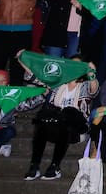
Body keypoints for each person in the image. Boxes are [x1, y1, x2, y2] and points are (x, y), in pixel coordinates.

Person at [20, 52, 99, 181]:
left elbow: (94, 88)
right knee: (43, 119)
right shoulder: (58, 81)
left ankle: (55, 166)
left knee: (68, 113)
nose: (74, 67)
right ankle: (34, 166)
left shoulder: (85, 85)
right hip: (55, 125)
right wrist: (23, 60)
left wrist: (92, 73)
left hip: (75, 129)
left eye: (78, 65)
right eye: (72, 64)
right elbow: (36, 76)